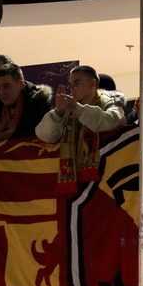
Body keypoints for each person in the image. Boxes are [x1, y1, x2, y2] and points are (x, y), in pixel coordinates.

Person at [36, 65, 126, 193]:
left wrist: (77, 109)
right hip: (75, 181)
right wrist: (58, 112)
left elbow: (113, 121)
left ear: (92, 84)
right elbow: (45, 136)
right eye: (71, 84)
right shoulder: (68, 108)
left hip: (106, 178)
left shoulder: (110, 102)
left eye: (76, 83)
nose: (72, 88)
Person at [0, 63, 53, 141]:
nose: (2, 92)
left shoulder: (39, 104)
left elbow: (46, 136)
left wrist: (15, 134)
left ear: (21, 84)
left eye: (6, 86)